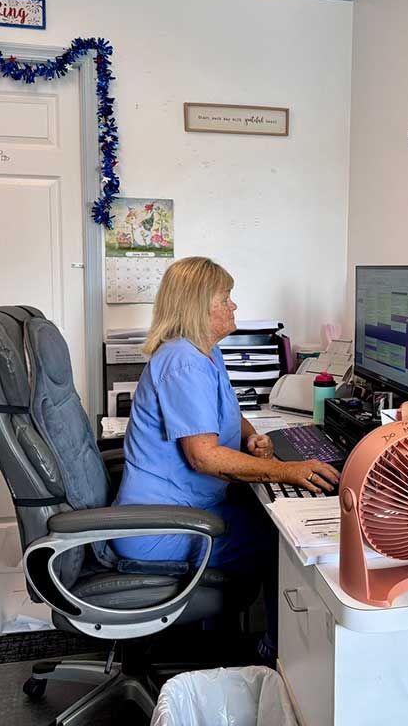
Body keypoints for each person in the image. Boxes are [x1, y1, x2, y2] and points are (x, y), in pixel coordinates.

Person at [112, 256, 339, 660]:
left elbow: (226, 412)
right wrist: (287, 470)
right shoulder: (183, 362)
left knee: (272, 515)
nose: (234, 306)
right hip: (159, 527)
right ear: (200, 307)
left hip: (181, 509)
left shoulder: (204, 352)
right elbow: (204, 457)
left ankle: (219, 634)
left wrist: (252, 437)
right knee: (284, 541)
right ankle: (273, 652)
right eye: (226, 297)